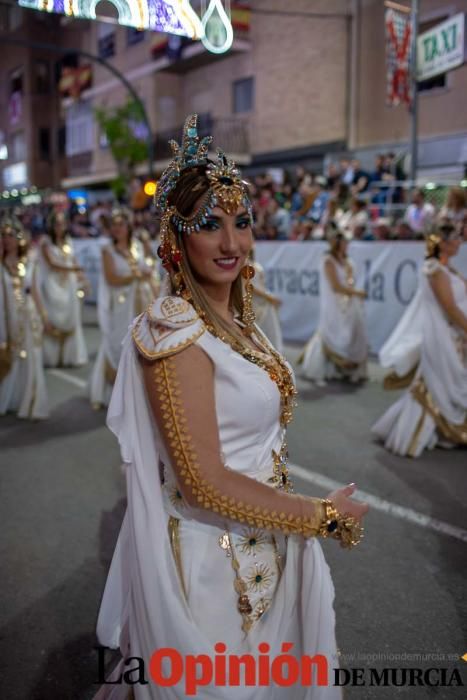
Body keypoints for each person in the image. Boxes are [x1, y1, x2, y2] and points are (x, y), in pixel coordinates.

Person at [93, 115, 368, 700]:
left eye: (241, 222)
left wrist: (299, 522)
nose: (231, 243)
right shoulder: (173, 332)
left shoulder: (238, 323)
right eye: (208, 225)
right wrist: (319, 515)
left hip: (267, 538)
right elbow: (204, 484)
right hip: (212, 567)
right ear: (175, 237)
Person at [372, 224, 467, 457]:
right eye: (455, 238)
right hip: (444, 337)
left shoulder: (447, 268)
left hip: (453, 335)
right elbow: (449, 307)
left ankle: (442, 431)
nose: (460, 242)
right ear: (442, 242)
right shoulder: (434, 270)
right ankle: (418, 433)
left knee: (445, 384)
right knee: (437, 385)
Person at [89, 208, 155, 408]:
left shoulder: (137, 246)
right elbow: (111, 278)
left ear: (128, 227)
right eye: (114, 225)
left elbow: (150, 265)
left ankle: (139, 394)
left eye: (121, 224)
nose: (117, 229)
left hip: (142, 300)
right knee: (118, 343)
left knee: (143, 344)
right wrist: (137, 276)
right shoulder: (108, 250)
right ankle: (114, 394)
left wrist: (147, 269)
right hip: (121, 304)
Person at [300, 229, 368, 385]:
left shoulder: (348, 261)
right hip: (333, 302)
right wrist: (356, 292)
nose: (346, 246)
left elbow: (349, 281)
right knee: (330, 331)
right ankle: (323, 369)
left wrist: (351, 288)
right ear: (337, 243)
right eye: (344, 242)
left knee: (353, 331)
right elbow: (336, 286)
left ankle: (347, 369)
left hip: (347, 302)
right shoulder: (328, 261)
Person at [0, 219, 48, 419]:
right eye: (3, 236)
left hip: (29, 318)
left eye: (11, 236)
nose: (7, 240)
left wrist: (44, 316)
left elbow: (35, 291)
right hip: (6, 319)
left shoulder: (29, 262)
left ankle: (29, 401)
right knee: (11, 356)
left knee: (31, 357)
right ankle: (10, 398)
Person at [35, 211, 89, 367]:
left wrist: (81, 277)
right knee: (53, 319)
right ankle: (51, 358)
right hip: (52, 285)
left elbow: (73, 259)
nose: (60, 227)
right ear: (51, 226)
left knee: (72, 319)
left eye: (62, 223)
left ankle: (69, 356)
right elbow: (52, 263)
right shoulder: (45, 242)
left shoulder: (67, 241)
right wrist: (74, 268)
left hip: (69, 285)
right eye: (57, 224)